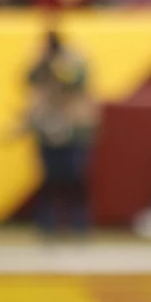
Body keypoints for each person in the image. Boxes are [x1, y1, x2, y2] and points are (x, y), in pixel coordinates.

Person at [22, 31, 96, 236]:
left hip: (73, 127)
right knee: (48, 179)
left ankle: (79, 224)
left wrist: (58, 63)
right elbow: (28, 78)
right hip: (48, 125)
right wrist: (42, 60)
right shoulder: (41, 63)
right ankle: (48, 225)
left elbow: (75, 80)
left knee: (75, 178)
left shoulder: (73, 61)